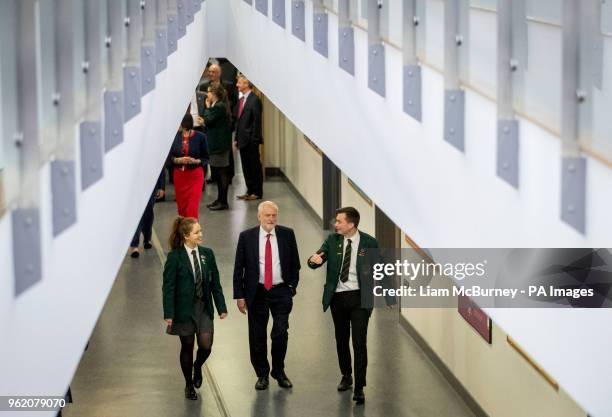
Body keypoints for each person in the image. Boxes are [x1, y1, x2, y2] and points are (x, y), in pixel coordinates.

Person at [307, 207, 378, 405]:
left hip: (359, 299)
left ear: (351, 224)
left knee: (359, 342)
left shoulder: (369, 243)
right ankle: (346, 375)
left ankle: (359, 387)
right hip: (337, 298)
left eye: (339, 221)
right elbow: (316, 258)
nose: (335, 224)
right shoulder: (333, 241)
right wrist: (314, 260)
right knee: (341, 339)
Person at [232, 201, 300, 390]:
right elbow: (239, 268)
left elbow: (295, 263)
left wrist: (292, 286)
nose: (271, 219)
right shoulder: (247, 237)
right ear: (259, 216)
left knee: (280, 332)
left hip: (281, 291)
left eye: (274, 215)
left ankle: (278, 370)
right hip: (257, 292)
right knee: (257, 335)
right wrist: (239, 295)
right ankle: (262, 374)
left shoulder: (287, 234)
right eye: (267, 215)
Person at [163, 216, 228, 400]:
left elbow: (215, 283)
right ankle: (188, 384)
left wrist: (221, 306)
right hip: (183, 309)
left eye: (200, 231)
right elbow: (168, 286)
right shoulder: (175, 257)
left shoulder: (208, 253)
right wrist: (168, 312)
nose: (201, 234)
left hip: (203, 306)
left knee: (206, 346)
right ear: (186, 236)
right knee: (187, 346)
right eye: (197, 232)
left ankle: (197, 366)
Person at [169, 114, 208, 219]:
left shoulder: (201, 137)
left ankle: (193, 233)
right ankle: (184, 234)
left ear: (184, 123)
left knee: (192, 209)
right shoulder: (174, 136)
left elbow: (205, 158)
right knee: (181, 210)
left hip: (195, 175)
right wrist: (178, 160)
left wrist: (196, 161)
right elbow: (169, 158)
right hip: (179, 176)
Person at [202, 83, 232, 211]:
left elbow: (208, 120)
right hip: (215, 144)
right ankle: (220, 199)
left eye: (208, 92)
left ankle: (224, 201)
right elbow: (209, 121)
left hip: (220, 146)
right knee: (218, 174)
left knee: (222, 173)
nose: (207, 94)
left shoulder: (219, 106)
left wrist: (207, 108)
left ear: (214, 94)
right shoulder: (217, 106)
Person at [234, 74, 263, 200]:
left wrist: (255, 140)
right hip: (242, 140)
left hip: (251, 140)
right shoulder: (241, 100)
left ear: (246, 84)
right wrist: (236, 139)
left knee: (254, 167)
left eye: (239, 83)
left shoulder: (255, 100)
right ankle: (249, 190)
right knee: (246, 167)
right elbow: (238, 121)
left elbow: (257, 122)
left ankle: (256, 192)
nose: (237, 85)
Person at [129, 171, 165, 258]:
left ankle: (147, 238)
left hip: (151, 184)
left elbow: (160, 167)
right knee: (136, 216)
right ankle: (134, 245)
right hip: (133, 185)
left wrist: (161, 186)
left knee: (148, 214)